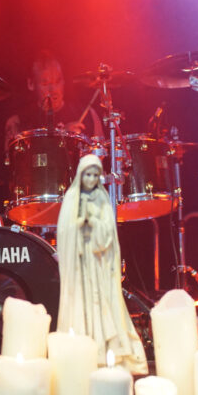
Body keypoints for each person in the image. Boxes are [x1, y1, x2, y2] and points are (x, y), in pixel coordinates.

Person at [56, 153, 148, 374]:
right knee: (82, 303)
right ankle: (83, 352)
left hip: (98, 263)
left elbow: (109, 233)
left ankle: (108, 351)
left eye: (95, 175)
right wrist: (80, 224)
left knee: (102, 302)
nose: (91, 179)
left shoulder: (101, 199)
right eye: (87, 174)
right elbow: (65, 231)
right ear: (80, 175)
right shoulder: (72, 198)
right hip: (79, 264)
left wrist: (95, 224)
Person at [4, 51, 103, 150]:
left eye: (58, 81)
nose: (53, 90)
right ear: (31, 84)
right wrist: (63, 136)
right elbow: (14, 157)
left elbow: (100, 153)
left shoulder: (88, 114)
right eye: (45, 84)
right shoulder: (18, 123)